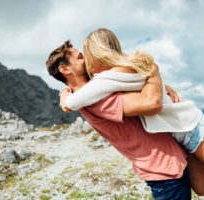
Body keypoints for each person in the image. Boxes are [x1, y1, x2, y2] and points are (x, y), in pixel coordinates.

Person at [56, 28, 204, 196]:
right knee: (203, 187)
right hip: (178, 133)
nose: (86, 60)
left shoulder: (107, 79)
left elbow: (73, 102)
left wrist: (64, 95)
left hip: (190, 129)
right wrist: (163, 83)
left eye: (86, 55)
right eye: (80, 57)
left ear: (98, 53)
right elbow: (142, 84)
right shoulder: (128, 69)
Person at [46, 42, 192, 199]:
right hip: (163, 169)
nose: (88, 58)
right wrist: (153, 70)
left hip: (167, 165)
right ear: (65, 69)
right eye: (81, 57)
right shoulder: (95, 100)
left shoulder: (92, 91)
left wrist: (163, 86)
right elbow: (150, 102)